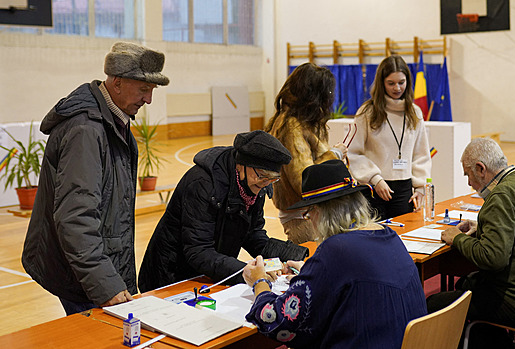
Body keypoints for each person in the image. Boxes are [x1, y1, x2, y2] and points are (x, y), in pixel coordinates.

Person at [21, 42, 169, 315]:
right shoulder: (86, 130)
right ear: (117, 83)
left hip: (94, 267)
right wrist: (106, 285)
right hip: (82, 274)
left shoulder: (114, 121)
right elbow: (75, 218)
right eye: (144, 89)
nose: (148, 100)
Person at [243, 159, 427, 349]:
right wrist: (310, 271)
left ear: (320, 212)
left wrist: (259, 282)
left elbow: (277, 321)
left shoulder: (336, 249)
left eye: (308, 213)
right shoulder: (387, 234)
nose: (309, 220)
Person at [427, 138, 515, 348]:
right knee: (465, 283)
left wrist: (457, 238)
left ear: (480, 169)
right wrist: (482, 228)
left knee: (436, 304)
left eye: (468, 174)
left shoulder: (501, 195)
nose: (469, 183)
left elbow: (493, 259)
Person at [137, 130, 294, 292]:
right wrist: (243, 272)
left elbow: (253, 235)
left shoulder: (255, 184)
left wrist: (293, 256)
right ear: (241, 165)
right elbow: (198, 250)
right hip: (171, 276)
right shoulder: (203, 183)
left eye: (272, 179)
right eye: (262, 176)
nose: (265, 183)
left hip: (207, 271)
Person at [265, 63, 347, 244]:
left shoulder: (301, 121)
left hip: (312, 212)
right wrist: (334, 155)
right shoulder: (291, 126)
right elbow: (304, 180)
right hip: (303, 216)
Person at [347, 55, 431, 220]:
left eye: (401, 82)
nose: (397, 88)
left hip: (404, 189)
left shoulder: (415, 112)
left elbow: (421, 154)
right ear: (381, 83)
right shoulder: (367, 112)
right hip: (374, 188)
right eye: (391, 83)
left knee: (404, 237)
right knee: (373, 240)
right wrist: (375, 179)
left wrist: (421, 187)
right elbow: (353, 153)